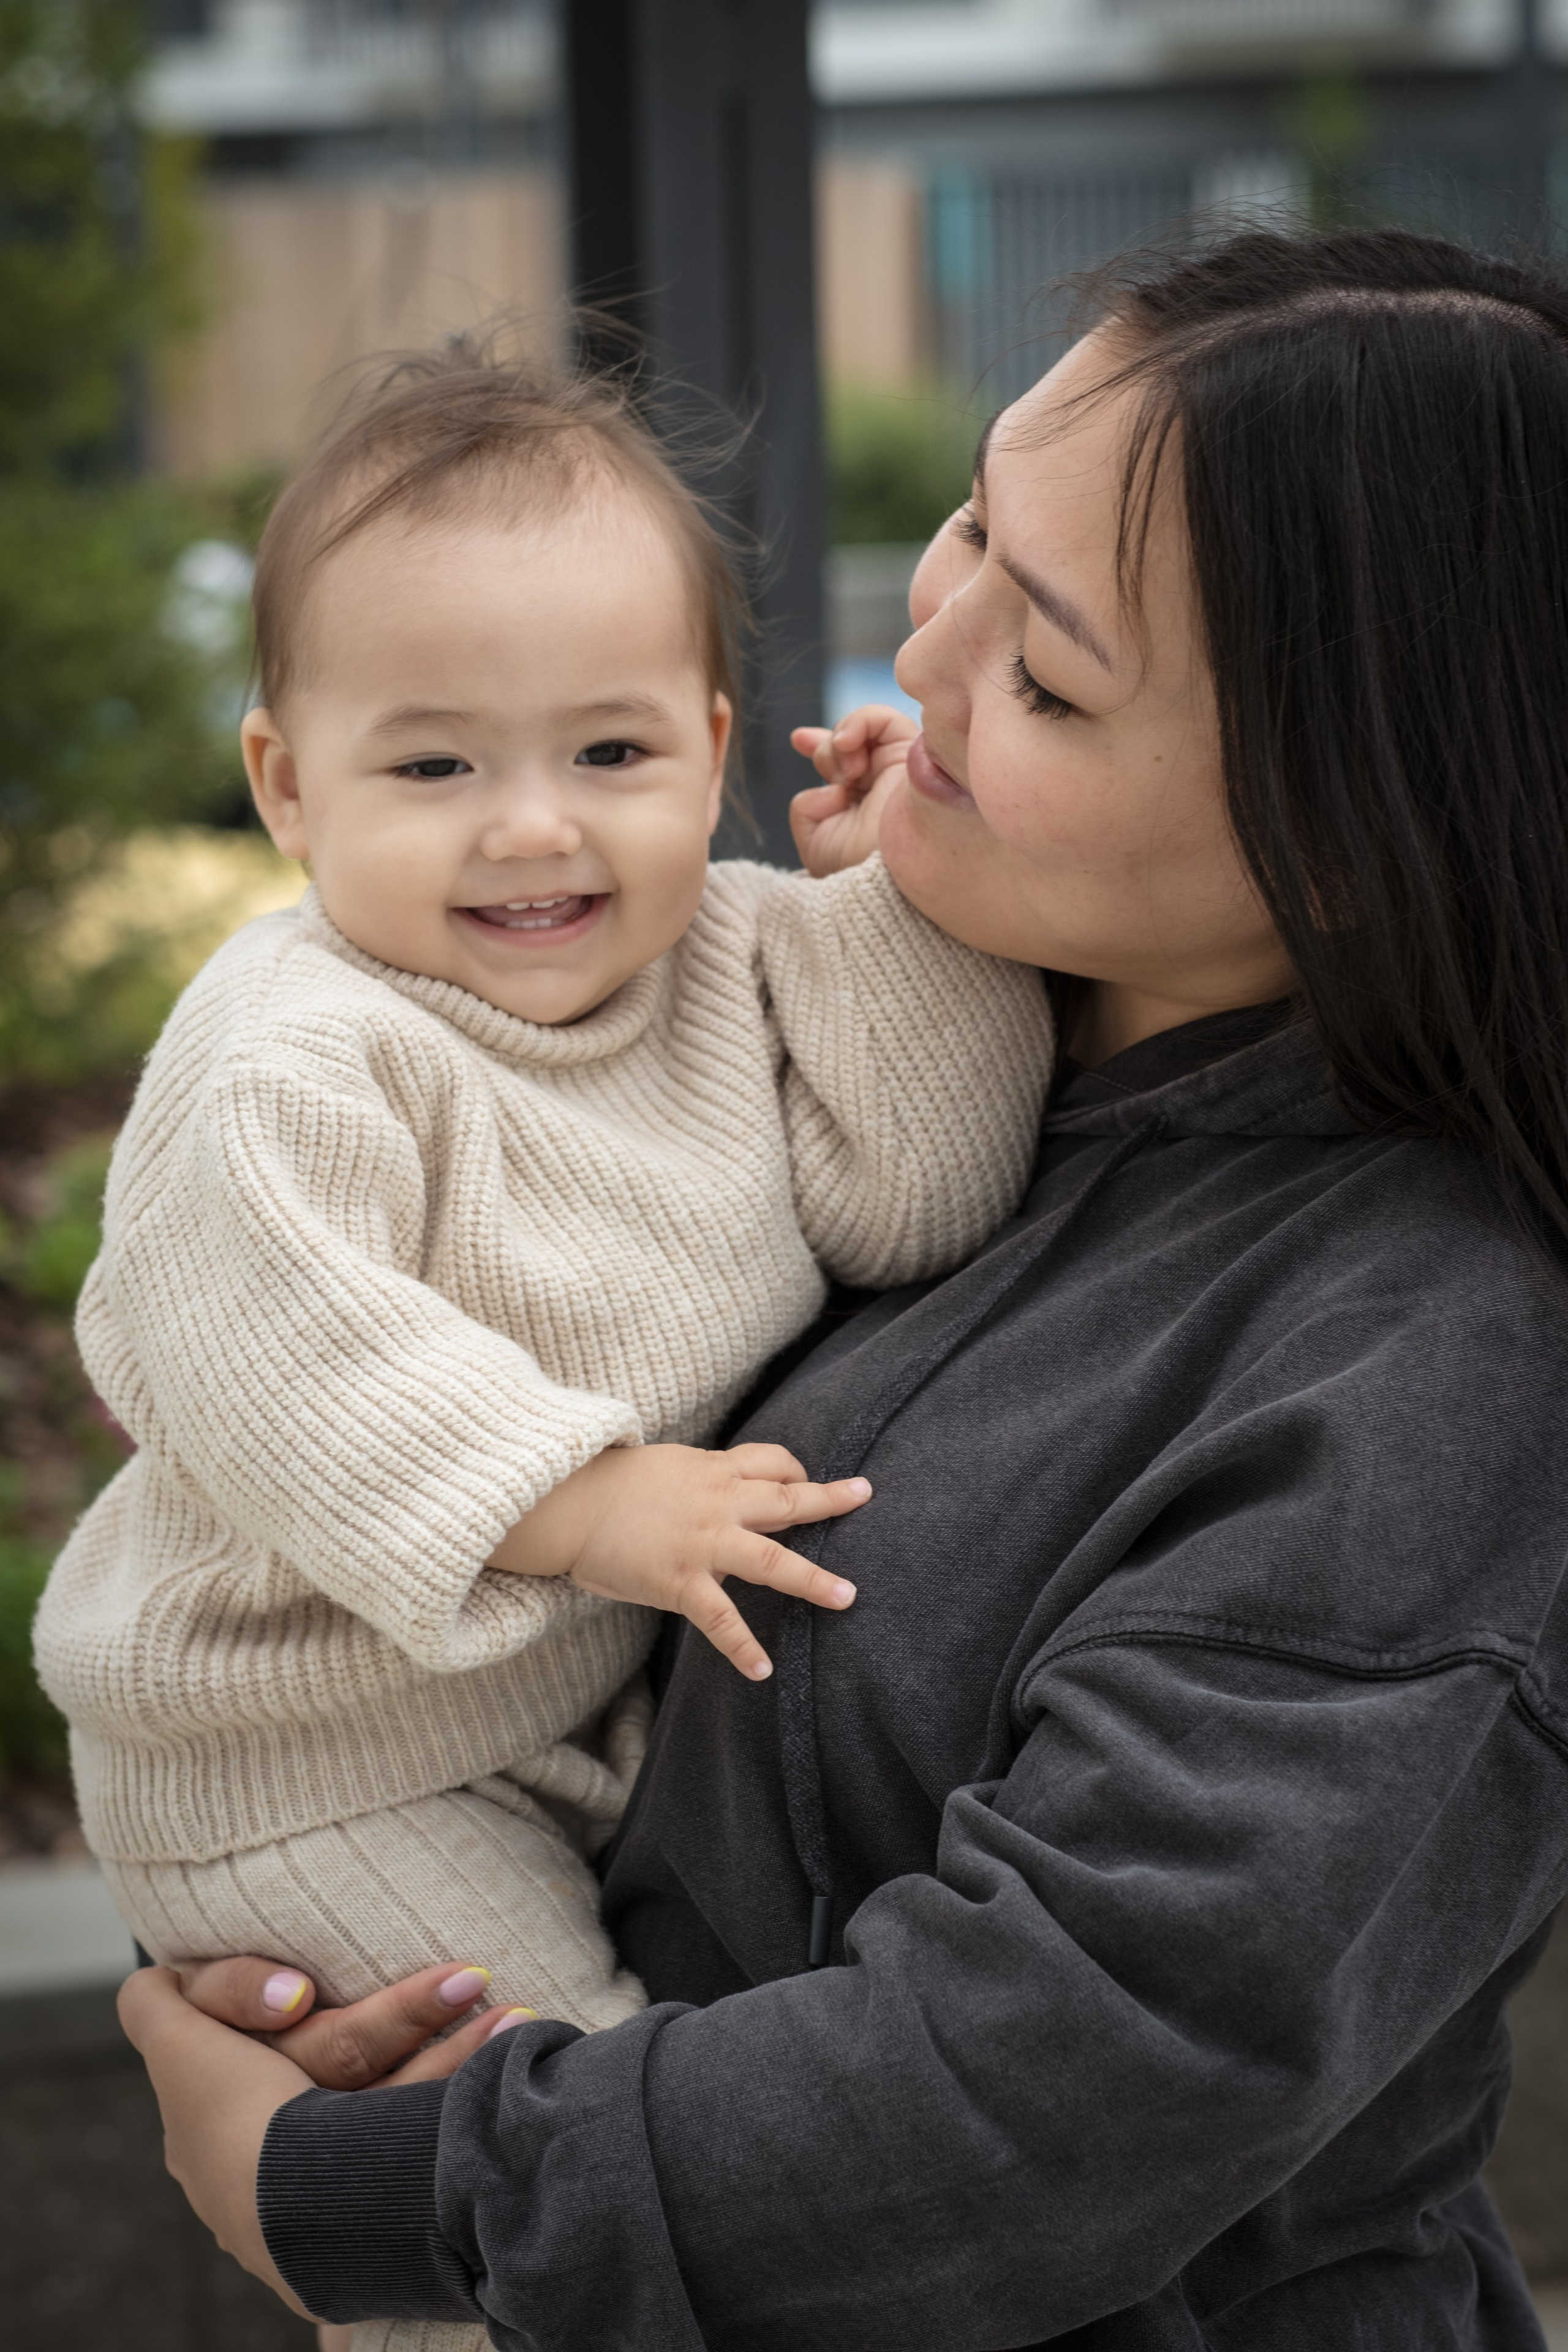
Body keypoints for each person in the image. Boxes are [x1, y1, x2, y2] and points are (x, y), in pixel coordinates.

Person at [119, 227, 1568, 2350]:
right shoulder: (1002, 1017)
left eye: (1051, 679)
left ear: (1352, 829)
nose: (932, 647)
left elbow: (1028, 2094)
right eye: (974, 520)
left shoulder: (1436, 1385)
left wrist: (349, 2183)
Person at [34, 338, 1052, 2352]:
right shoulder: (294, 1050)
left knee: (637, 2145)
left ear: (713, 739)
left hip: (554, 1716)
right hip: (301, 1763)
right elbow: (267, 1354)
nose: (533, 834)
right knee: (516, 2161)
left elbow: (915, 1193)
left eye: (609, 757)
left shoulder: (739, 950)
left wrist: (893, 912)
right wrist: (582, 1497)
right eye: (434, 767)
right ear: (284, 783)